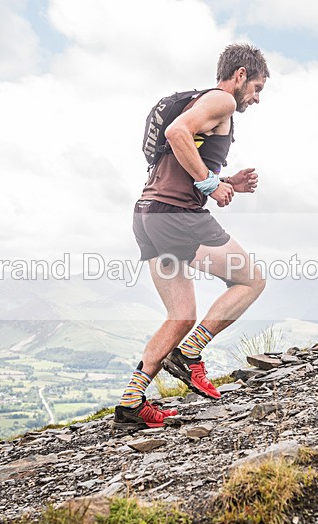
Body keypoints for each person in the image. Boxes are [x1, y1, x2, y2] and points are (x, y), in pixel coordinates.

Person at [114, 43, 269, 429]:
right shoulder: (222, 100)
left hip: (147, 214)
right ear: (240, 75)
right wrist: (210, 184)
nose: (256, 98)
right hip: (176, 215)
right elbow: (176, 132)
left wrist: (226, 180)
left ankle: (130, 404)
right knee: (251, 280)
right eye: (257, 88)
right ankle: (189, 355)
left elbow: (177, 153)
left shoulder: (196, 102)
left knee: (181, 315)